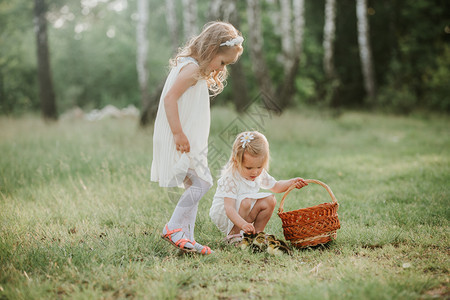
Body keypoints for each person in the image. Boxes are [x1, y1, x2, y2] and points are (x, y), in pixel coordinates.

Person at [151, 21, 244, 255]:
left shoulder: (193, 67)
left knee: (195, 183)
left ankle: (186, 237)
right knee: (202, 183)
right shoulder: (191, 70)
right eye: (222, 62)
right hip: (180, 136)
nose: (222, 69)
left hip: (186, 137)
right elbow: (170, 99)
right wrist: (178, 133)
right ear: (212, 49)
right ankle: (173, 228)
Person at [209, 131, 308, 244]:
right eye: (249, 168)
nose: (255, 172)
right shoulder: (230, 178)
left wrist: (292, 182)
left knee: (270, 200)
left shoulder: (258, 173)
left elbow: (275, 186)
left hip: (244, 208)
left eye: (259, 167)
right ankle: (233, 235)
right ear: (236, 162)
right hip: (227, 215)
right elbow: (229, 208)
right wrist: (243, 224)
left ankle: (257, 234)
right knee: (246, 202)